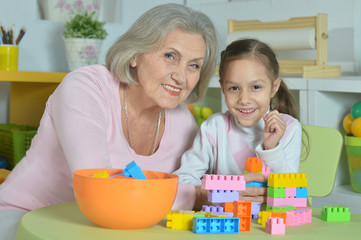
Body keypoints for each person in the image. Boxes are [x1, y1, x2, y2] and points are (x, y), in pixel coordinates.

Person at [0, 4, 218, 239]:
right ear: (135, 55)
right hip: (28, 218)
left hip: (115, 229)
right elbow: (99, 191)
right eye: (169, 56)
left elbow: (194, 185)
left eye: (194, 65)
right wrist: (197, 195)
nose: (181, 76)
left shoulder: (184, 121)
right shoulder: (85, 88)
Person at [174, 38, 302, 210]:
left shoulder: (289, 128)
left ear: (274, 87)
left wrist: (272, 149)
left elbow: (290, 194)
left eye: (255, 87)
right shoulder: (214, 127)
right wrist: (220, 193)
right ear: (222, 88)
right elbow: (183, 181)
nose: (244, 99)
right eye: (234, 88)